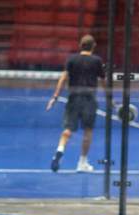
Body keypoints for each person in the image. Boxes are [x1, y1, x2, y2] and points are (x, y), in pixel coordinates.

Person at [46, 34, 105, 173]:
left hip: (73, 97)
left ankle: (59, 151)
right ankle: (82, 162)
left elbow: (63, 78)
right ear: (94, 46)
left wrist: (55, 96)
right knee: (88, 131)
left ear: (80, 46)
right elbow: (104, 81)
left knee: (67, 130)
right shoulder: (97, 61)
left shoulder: (71, 59)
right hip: (89, 99)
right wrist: (109, 97)